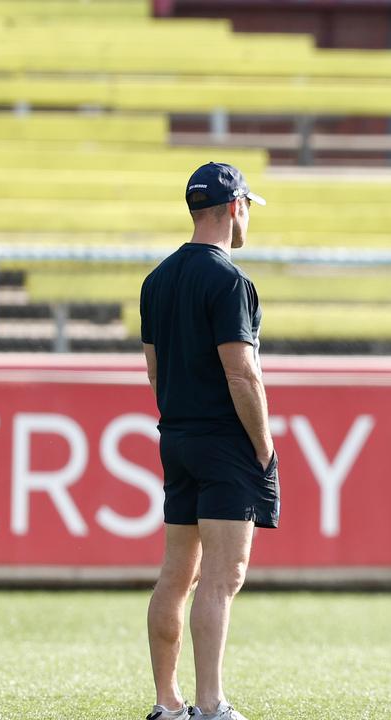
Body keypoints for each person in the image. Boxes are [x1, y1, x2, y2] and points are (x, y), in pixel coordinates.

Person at [140, 162, 277, 720]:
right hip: (224, 442)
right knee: (222, 579)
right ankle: (211, 704)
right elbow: (241, 373)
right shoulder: (229, 281)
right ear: (235, 206)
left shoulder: (157, 279)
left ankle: (167, 703)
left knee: (177, 574)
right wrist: (263, 447)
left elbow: (153, 370)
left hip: (176, 435)